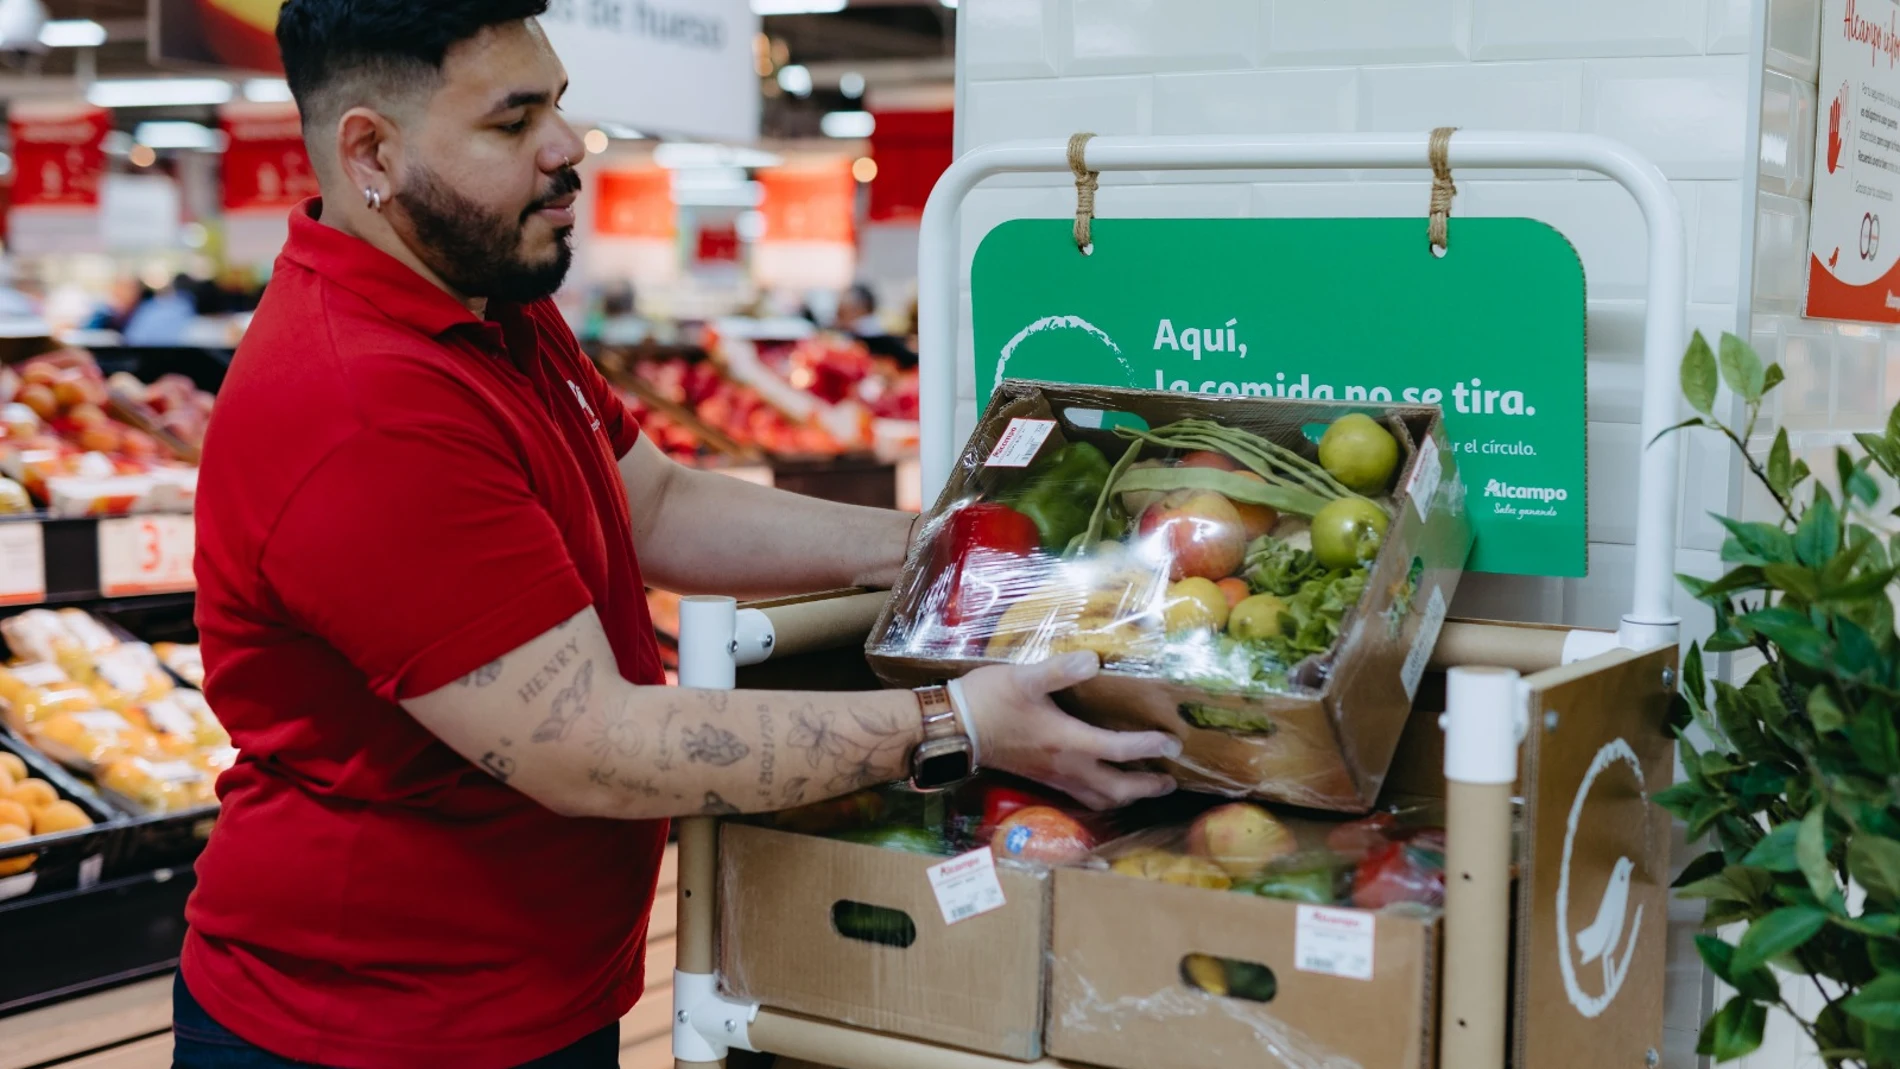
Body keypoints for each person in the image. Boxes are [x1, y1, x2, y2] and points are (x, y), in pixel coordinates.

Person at [179, 3, 1181, 1068]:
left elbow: (657, 508)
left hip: (528, 992)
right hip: (367, 1030)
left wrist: (948, 551)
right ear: (371, 150)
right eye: (514, 123)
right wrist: (957, 720)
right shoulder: (360, 405)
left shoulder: (490, 303)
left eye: (557, 104)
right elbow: (592, 748)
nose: (566, 148)